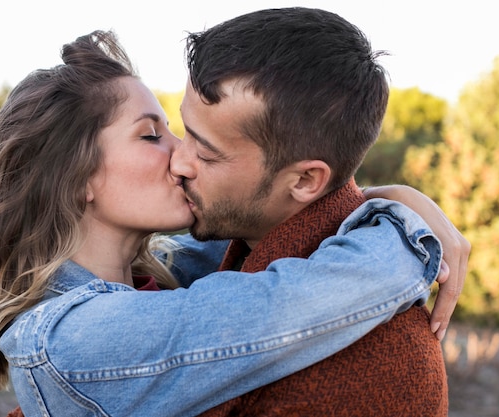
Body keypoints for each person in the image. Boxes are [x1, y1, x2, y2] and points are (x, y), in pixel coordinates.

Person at [0, 31, 465, 417]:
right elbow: (279, 306)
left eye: (188, 138)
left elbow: (287, 247)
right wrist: (405, 233)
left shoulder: (178, 272)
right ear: (75, 177)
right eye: (153, 135)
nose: (180, 157)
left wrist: (383, 199)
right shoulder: (67, 339)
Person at [169, 7, 458, 416]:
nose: (178, 163)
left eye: (206, 152)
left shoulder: (366, 370)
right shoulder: (230, 257)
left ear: (305, 181)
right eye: (184, 131)